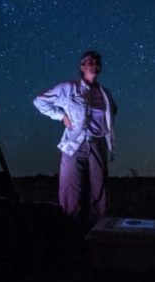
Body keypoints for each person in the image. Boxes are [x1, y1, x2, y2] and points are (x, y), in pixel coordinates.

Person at [33, 50, 117, 224]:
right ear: (82, 67)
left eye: (97, 61)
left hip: (97, 144)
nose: (94, 64)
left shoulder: (104, 93)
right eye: (90, 61)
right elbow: (40, 101)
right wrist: (61, 116)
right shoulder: (68, 87)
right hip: (74, 144)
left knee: (99, 189)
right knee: (70, 189)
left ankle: (99, 229)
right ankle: (70, 228)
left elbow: (113, 110)